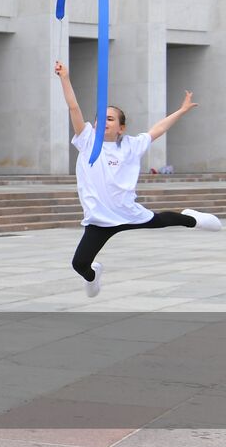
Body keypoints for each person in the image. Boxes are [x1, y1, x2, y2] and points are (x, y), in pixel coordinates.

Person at [54, 60, 220, 297]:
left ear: (121, 128)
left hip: (128, 212)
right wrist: (64, 78)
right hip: (100, 219)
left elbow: (159, 129)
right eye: (101, 117)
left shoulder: (131, 145)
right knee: (79, 264)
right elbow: (73, 108)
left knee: (164, 220)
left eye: (111, 119)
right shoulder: (87, 140)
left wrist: (181, 111)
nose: (104, 121)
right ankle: (93, 276)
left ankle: (193, 219)